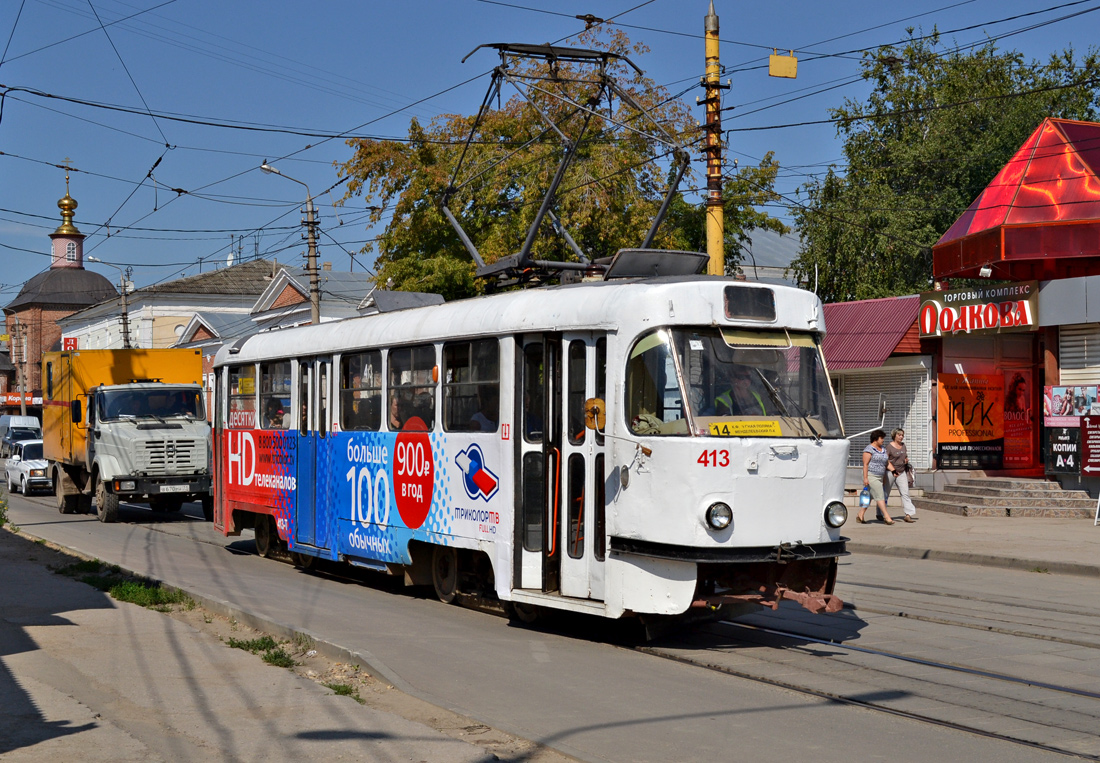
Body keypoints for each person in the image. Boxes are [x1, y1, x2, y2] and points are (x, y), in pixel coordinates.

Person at [858, 429, 894, 525]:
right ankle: (886, 516)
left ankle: (860, 514)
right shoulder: (869, 449)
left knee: (869, 497)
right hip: (871, 475)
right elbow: (865, 465)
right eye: (881, 438)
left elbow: (886, 463)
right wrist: (865, 478)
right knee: (880, 494)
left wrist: (893, 470)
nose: (883, 440)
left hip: (880, 476)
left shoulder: (883, 449)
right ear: (875, 439)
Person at [884, 428, 917, 523]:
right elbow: (886, 460)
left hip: (901, 471)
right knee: (886, 493)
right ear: (894, 435)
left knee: (905, 493)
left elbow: (904, 456)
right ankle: (881, 513)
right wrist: (892, 469)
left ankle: (908, 514)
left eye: (902, 435)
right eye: (899, 435)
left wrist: (906, 460)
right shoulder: (889, 447)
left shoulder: (903, 446)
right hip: (890, 472)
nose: (901, 437)